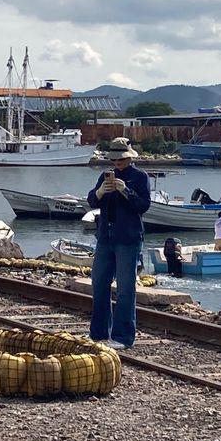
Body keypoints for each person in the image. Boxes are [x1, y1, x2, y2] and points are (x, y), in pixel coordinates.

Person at [87, 137, 151, 349]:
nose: (118, 163)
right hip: (105, 236)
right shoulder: (104, 177)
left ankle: (123, 337)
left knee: (125, 288)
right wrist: (100, 191)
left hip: (128, 238)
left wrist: (125, 191)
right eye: (115, 160)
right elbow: (92, 201)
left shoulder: (139, 177)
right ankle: (98, 334)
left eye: (121, 160)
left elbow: (143, 206)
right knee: (99, 283)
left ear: (129, 158)